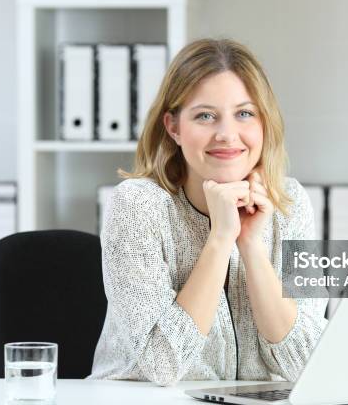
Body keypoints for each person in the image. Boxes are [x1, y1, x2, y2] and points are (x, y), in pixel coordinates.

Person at [87, 38, 328, 386]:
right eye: (205, 116)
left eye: (244, 113)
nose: (227, 135)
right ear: (174, 127)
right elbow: (163, 364)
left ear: (264, 123)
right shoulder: (137, 205)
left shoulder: (289, 201)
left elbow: (310, 365)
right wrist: (219, 239)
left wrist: (251, 245)